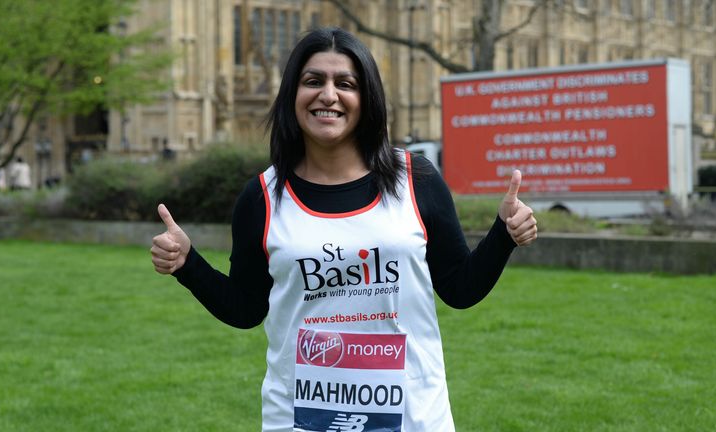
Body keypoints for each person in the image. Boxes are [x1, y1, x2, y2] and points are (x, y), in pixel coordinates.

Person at [151, 27, 537, 432]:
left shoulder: (415, 179)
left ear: (366, 97)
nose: (328, 95)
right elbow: (247, 309)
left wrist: (503, 235)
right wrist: (187, 264)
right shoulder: (262, 198)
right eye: (313, 81)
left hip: (412, 417)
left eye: (346, 83)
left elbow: (460, 288)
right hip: (300, 420)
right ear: (292, 96)